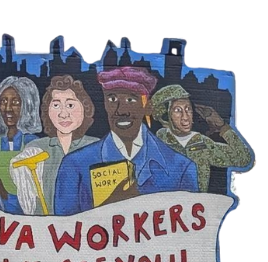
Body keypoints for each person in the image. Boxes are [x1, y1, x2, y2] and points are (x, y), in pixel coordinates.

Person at [52, 66, 197, 216]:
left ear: (147, 107)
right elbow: (63, 233)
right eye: (112, 99)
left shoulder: (182, 169)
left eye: (131, 99)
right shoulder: (74, 166)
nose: (121, 110)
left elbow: (189, 235)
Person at [9, 75, 99, 216]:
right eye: (56, 105)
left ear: (84, 108)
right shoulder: (36, 148)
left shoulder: (97, 147)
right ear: (47, 111)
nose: (63, 114)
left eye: (70, 105)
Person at [151, 84, 253, 192]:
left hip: (196, 207)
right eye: (178, 110)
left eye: (188, 109)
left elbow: (243, 159)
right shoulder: (156, 143)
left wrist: (223, 127)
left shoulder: (202, 144)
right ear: (165, 116)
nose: (185, 117)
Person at [0, 76, 42, 214]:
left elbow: (39, 196)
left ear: (27, 106)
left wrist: (6, 195)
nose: (8, 109)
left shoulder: (35, 146)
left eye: (15, 102)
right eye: (3, 101)